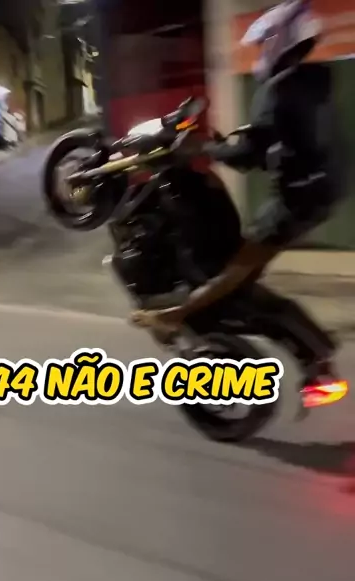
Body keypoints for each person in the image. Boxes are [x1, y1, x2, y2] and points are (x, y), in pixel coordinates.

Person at [130, 0, 347, 388]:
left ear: (280, 41)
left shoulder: (278, 89)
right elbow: (277, 141)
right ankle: (310, 344)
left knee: (237, 268)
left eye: (265, 44)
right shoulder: (315, 79)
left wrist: (203, 148)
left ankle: (173, 315)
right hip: (325, 187)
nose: (262, 52)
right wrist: (232, 146)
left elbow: (248, 154)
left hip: (298, 195)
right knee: (248, 273)